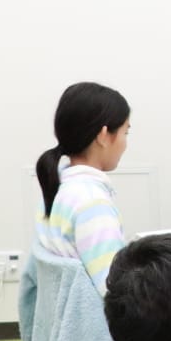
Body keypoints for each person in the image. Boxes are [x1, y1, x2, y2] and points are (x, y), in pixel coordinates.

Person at [34, 81, 131, 294]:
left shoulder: (56, 189)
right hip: (93, 315)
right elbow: (116, 292)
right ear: (103, 136)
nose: (126, 143)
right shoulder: (92, 204)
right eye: (125, 132)